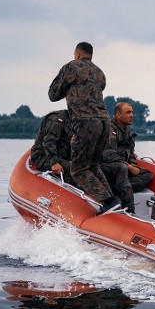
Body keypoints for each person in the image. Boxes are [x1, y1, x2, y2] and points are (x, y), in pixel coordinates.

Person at [48, 41, 120, 215]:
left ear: (78, 54)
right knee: (93, 165)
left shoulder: (71, 67)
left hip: (85, 122)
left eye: (74, 55)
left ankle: (108, 201)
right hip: (104, 123)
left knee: (79, 169)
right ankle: (113, 200)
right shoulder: (100, 72)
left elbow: (53, 94)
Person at [101, 102, 153, 213]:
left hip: (123, 169)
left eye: (132, 112)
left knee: (148, 174)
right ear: (118, 115)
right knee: (122, 168)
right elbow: (108, 154)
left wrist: (133, 165)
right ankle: (128, 209)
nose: (132, 115)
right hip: (109, 167)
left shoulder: (129, 132)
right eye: (128, 112)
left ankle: (115, 189)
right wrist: (129, 166)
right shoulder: (109, 130)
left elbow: (131, 153)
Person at [30, 109, 74, 184]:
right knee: (77, 170)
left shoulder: (82, 123)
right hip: (43, 156)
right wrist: (54, 163)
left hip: (63, 157)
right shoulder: (57, 120)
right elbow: (48, 143)